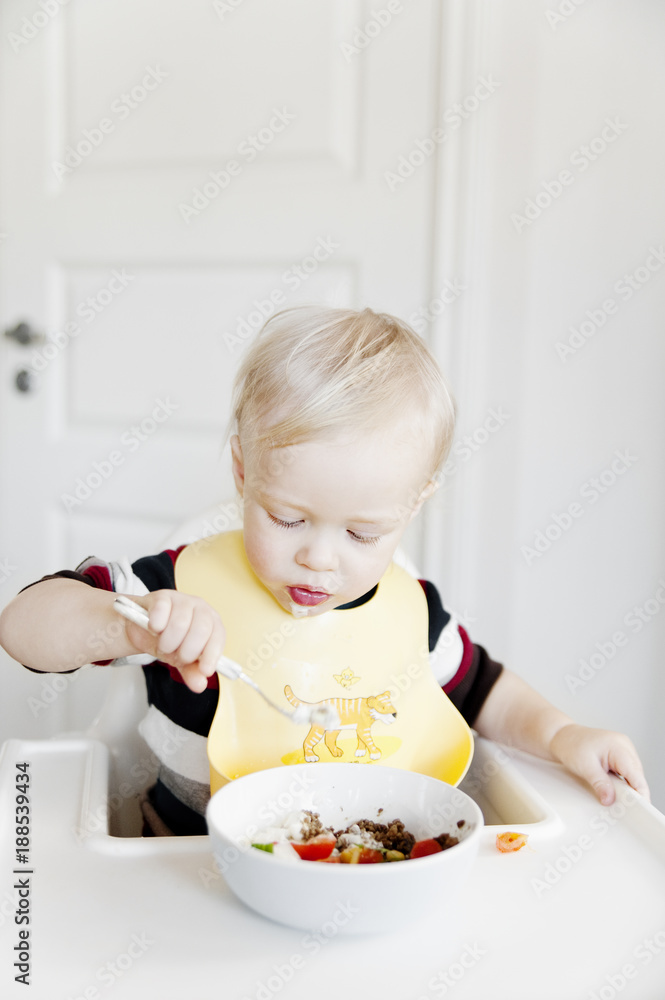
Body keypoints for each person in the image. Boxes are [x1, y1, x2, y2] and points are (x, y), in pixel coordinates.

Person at [0, 305, 650, 836]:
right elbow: (24, 630)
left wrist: (563, 734)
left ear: (413, 504)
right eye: (288, 519)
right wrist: (130, 629)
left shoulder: (410, 615)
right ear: (243, 474)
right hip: (180, 865)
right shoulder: (175, 586)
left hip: (354, 865)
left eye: (364, 533)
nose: (319, 557)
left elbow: (483, 691)